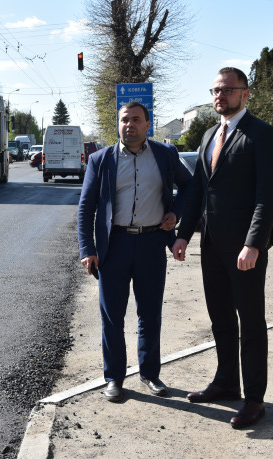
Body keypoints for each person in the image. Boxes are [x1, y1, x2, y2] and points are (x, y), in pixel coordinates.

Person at [172, 67, 273, 428]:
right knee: (220, 317)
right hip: (213, 247)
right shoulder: (208, 135)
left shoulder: (262, 135)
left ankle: (254, 399)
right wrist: (183, 234)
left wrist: (253, 243)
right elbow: (199, 192)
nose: (220, 96)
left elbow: (268, 197)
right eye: (215, 90)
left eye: (228, 90)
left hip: (245, 251)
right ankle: (225, 382)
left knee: (250, 322)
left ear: (244, 94)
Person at [77, 101, 192, 402]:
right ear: (119, 124)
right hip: (113, 246)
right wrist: (88, 248)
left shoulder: (166, 155)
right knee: (112, 316)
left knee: (150, 314)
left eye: (136, 120)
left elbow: (190, 187)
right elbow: (86, 207)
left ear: (147, 124)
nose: (130, 125)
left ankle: (150, 374)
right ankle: (114, 378)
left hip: (153, 243)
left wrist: (175, 214)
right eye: (125, 120)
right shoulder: (100, 160)